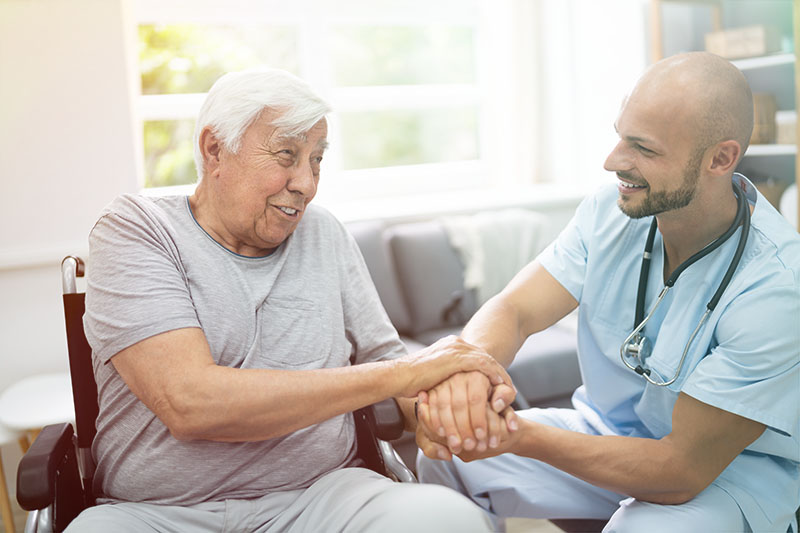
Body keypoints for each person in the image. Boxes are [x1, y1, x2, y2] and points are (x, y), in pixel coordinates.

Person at [67, 68, 513, 532]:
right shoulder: (136, 229)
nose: (307, 183)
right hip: (159, 515)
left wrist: (438, 408)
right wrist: (406, 373)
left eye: (317, 160)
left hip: (323, 498)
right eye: (287, 155)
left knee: (452, 520)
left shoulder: (323, 233)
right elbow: (190, 403)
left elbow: (386, 361)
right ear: (215, 149)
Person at [415, 51, 800, 532]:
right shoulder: (609, 213)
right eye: (620, 136)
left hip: (728, 475)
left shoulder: (777, 287)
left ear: (720, 159)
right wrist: (466, 374)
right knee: (452, 455)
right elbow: (514, 309)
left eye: (644, 148)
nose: (613, 161)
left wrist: (512, 434)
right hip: (608, 431)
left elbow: (681, 470)